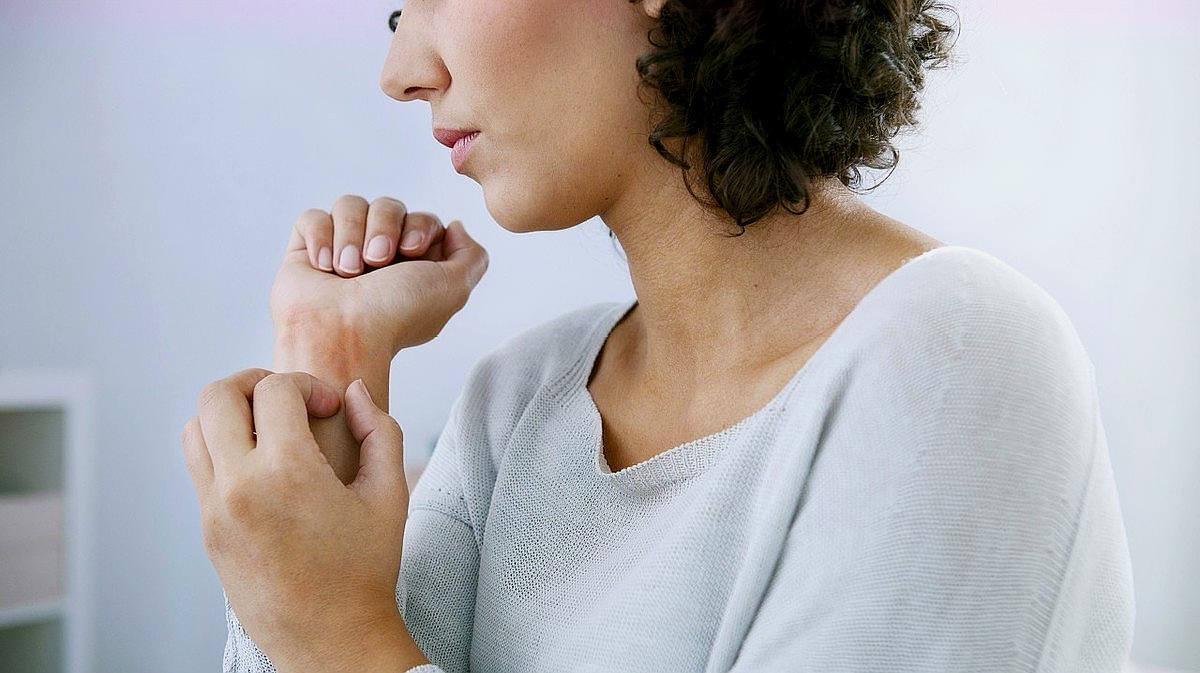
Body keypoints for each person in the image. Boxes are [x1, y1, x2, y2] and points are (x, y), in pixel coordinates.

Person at [183, 1, 1136, 672]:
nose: (399, 74)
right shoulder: (518, 401)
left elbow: (337, 643)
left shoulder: (959, 353)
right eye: (398, 15)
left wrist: (343, 639)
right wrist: (331, 366)